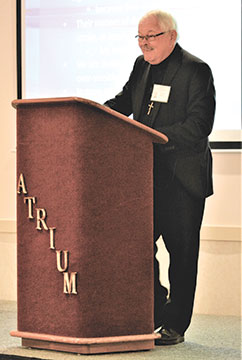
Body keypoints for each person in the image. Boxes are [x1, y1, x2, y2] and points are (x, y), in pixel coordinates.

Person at [104, 10, 216, 345]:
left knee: (182, 254)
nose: (144, 43)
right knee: (137, 247)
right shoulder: (141, 66)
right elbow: (126, 101)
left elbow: (200, 125)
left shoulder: (196, 70)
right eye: (139, 37)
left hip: (183, 180)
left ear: (171, 36)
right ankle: (152, 310)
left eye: (150, 36)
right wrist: (96, 113)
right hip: (146, 176)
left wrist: (154, 138)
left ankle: (175, 324)